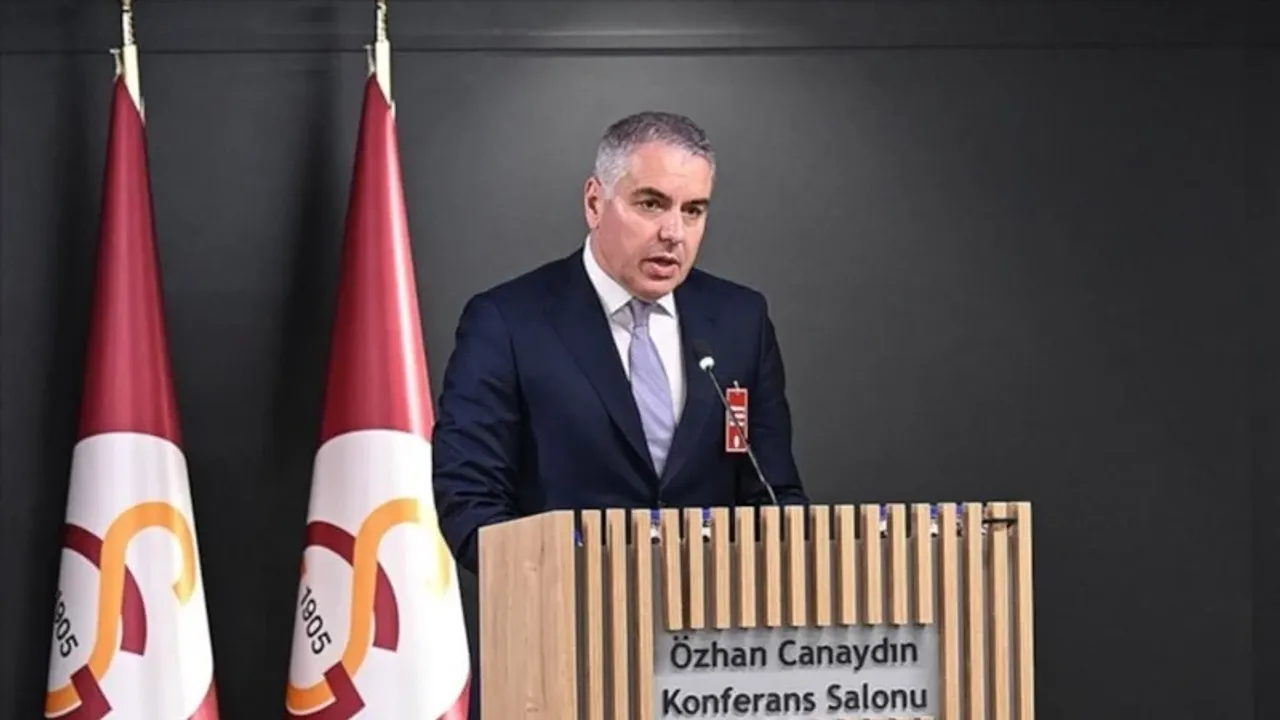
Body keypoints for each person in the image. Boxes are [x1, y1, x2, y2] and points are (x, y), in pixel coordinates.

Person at [431, 111, 808, 574]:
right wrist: (558, 582)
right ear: (595, 203)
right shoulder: (506, 322)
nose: (673, 233)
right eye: (651, 204)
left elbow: (773, 493)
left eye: (693, 210)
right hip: (563, 606)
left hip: (713, 611)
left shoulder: (741, 320)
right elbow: (469, 501)